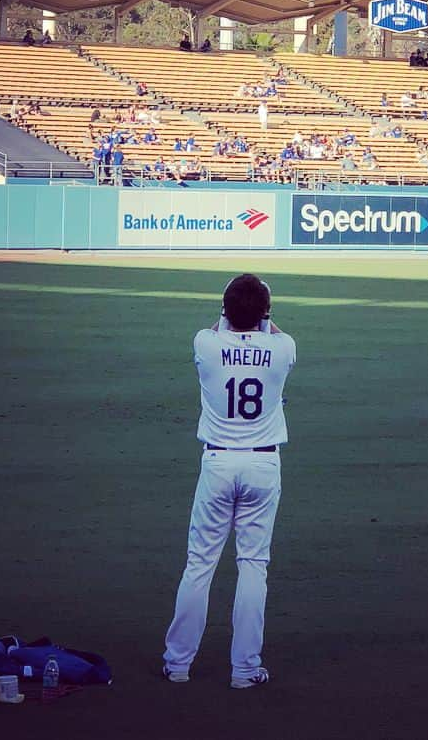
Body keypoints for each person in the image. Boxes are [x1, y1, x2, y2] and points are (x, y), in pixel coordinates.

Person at [162, 275, 295, 690]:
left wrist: (232, 313)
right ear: (265, 312)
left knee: (200, 565)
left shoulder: (205, 342)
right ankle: (244, 670)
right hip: (262, 466)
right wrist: (264, 316)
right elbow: (270, 329)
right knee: (253, 565)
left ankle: (178, 664)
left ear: (224, 309)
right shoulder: (283, 348)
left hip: (218, 463)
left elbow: (223, 324)